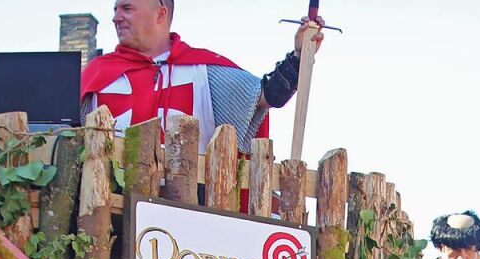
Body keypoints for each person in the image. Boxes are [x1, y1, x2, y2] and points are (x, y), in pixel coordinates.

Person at [81, 0, 323, 154]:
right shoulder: (98, 74)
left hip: (191, 209)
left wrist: (299, 55)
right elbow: (66, 135)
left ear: (160, 14)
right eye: (116, 9)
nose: (116, 17)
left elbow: (268, 95)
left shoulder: (204, 71)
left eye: (127, 8)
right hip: (112, 208)